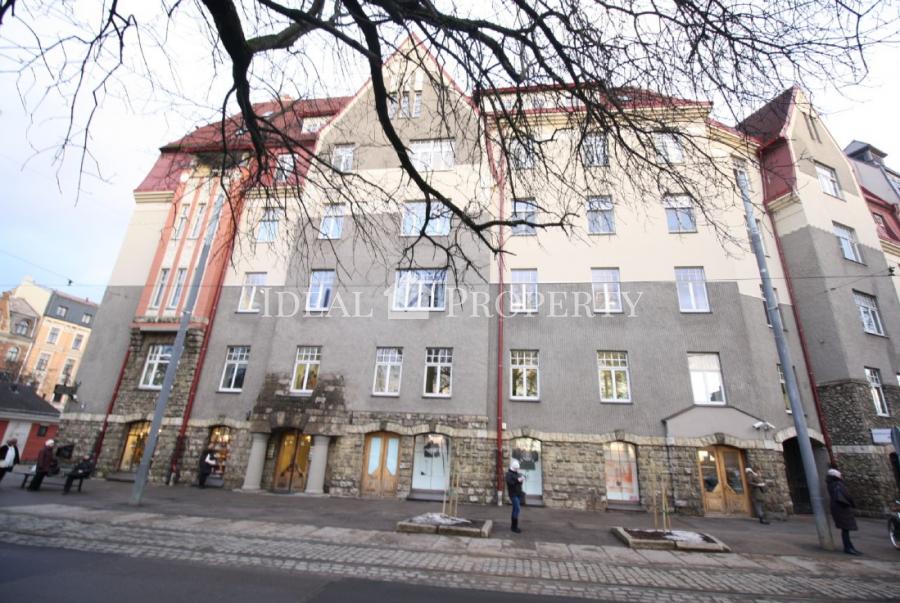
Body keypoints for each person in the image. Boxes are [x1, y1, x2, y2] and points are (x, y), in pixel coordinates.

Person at [826, 467, 861, 555]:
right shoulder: (838, 484)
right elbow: (846, 495)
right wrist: (852, 503)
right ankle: (848, 547)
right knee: (845, 529)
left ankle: (849, 546)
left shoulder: (831, 484)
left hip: (838, 507)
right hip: (842, 507)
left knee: (845, 529)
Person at [505, 459, 525, 533]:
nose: (517, 470)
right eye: (516, 468)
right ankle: (514, 527)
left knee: (515, 509)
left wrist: (521, 480)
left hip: (518, 493)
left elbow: (518, 484)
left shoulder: (517, 473)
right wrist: (518, 480)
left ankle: (513, 526)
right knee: (517, 509)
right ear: (514, 468)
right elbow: (510, 483)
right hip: (513, 494)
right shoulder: (508, 474)